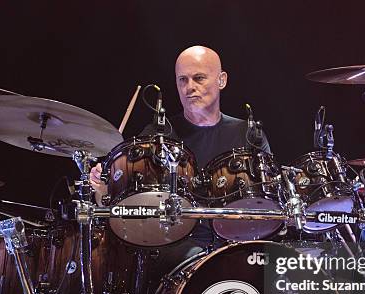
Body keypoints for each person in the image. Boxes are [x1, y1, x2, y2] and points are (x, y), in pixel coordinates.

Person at [89, 45, 272, 270]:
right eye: (182, 80)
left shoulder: (248, 135)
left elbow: (269, 201)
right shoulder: (159, 136)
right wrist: (102, 189)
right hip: (175, 247)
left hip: (238, 242)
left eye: (199, 78)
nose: (189, 87)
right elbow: (126, 208)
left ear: (221, 80)